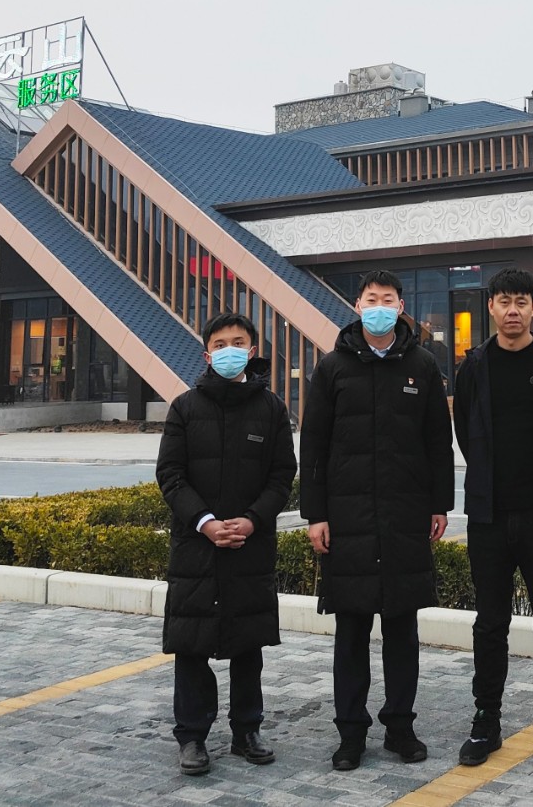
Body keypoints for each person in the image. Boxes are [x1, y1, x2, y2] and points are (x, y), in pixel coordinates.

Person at [301, 270, 454, 771]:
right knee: (351, 633)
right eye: (372, 298)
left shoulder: (422, 365)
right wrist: (316, 514)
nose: (380, 306)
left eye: (388, 299)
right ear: (358, 304)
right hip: (348, 520)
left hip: (405, 516)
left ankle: (400, 727)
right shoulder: (332, 367)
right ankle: (350, 733)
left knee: (402, 631)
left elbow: (438, 440)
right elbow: (313, 445)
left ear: (401, 306)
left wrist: (439, 504)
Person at [452, 267, 533, 769]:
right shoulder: (473, 366)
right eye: (504, 301)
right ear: (491, 307)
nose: (513, 310)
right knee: (490, 623)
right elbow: (465, 429)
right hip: (488, 515)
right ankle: (486, 719)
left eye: (521, 302)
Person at [157, 312, 297, 777]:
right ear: (207, 354)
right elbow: (170, 475)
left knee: (247, 643)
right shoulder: (184, 408)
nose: (229, 350)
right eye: (220, 344)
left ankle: (247, 730)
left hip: (249, 545)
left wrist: (252, 521)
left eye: (238, 342)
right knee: (192, 644)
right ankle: (192, 736)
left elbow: (282, 476)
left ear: (252, 351)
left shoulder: (271, 409)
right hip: (196, 546)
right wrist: (205, 522)